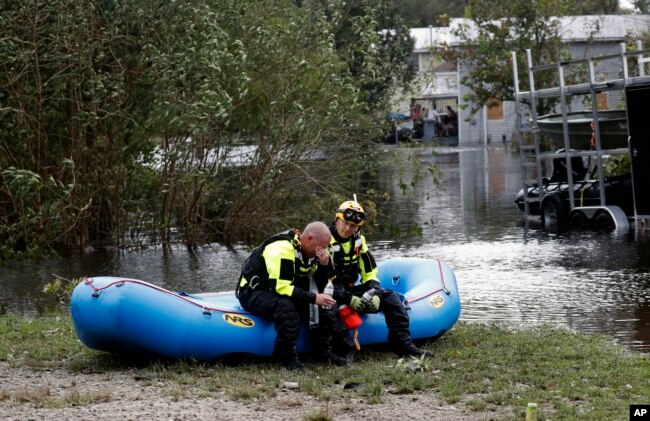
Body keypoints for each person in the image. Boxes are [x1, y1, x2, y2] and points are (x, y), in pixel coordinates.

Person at [328, 200, 434, 358]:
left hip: (349, 289)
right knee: (330, 309)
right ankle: (344, 350)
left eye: (353, 226)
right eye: (345, 223)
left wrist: (375, 291)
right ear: (337, 219)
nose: (348, 229)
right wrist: (347, 298)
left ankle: (402, 344)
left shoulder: (358, 241)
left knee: (390, 297)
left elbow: (369, 271)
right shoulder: (324, 239)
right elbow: (321, 279)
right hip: (328, 292)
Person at [236, 221, 347, 371]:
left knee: (327, 306)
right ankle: (286, 357)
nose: (324, 250)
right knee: (286, 306)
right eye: (323, 246)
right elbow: (280, 287)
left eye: (327, 247)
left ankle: (323, 352)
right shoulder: (282, 249)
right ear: (309, 239)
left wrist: (325, 265)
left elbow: (323, 285)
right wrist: (314, 298)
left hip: (281, 290)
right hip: (253, 292)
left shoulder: (313, 252)